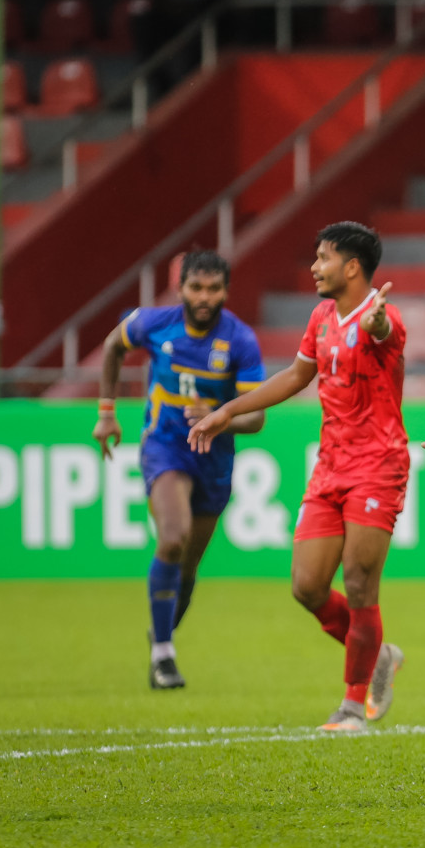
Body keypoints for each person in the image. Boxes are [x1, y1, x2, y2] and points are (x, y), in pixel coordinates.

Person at [189, 223, 406, 732]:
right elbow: (294, 376)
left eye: (324, 257)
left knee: (357, 583)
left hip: (377, 467)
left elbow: (385, 332)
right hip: (330, 466)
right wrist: (227, 411)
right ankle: (377, 657)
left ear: (352, 267)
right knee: (307, 587)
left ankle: (353, 707)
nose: (314, 267)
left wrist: (377, 325)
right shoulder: (321, 317)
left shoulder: (383, 314)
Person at [92, 250, 267, 690]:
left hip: (214, 459)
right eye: (196, 287)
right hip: (165, 447)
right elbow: (113, 346)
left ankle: (162, 634)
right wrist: (106, 411)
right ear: (181, 288)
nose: (204, 297)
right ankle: (163, 656)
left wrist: (222, 414)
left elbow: (257, 418)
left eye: (213, 288)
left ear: (226, 290)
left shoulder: (240, 341)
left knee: (187, 567)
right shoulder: (153, 323)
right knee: (172, 537)